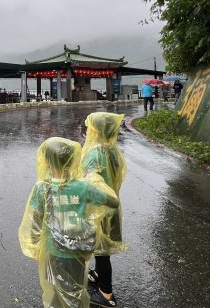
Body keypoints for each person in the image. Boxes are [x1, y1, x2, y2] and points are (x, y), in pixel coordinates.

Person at [19, 137, 119, 308]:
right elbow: (113, 202)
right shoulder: (83, 186)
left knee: (55, 289)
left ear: (47, 162)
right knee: (76, 289)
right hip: (79, 251)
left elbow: (34, 221)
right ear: (73, 161)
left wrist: (35, 245)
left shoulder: (42, 188)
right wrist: (95, 180)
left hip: (53, 252)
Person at [81, 112, 128, 308]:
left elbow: (91, 184)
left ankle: (105, 293)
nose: (88, 129)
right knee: (103, 249)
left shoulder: (95, 153)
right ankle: (100, 277)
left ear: (97, 130)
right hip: (112, 206)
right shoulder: (113, 150)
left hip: (99, 209)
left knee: (101, 252)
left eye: (91, 126)